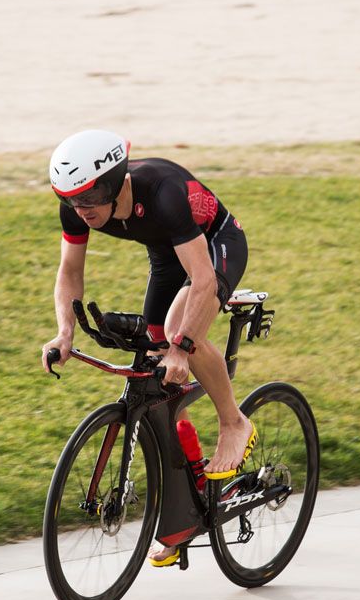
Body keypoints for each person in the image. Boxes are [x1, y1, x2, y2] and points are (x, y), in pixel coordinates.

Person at [39, 129, 257, 566]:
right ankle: (186, 508)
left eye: (92, 195)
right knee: (156, 386)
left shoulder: (162, 192)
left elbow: (203, 279)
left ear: (118, 178)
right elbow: (70, 273)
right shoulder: (79, 210)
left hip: (214, 245)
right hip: (165, 252)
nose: (83, 209)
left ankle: (234, 423)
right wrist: (65, 333)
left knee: (179, 334)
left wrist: (180, 348)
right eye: (71, 199)